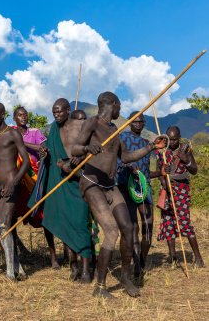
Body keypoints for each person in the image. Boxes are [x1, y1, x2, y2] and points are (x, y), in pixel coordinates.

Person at [71, 92, 166, 298]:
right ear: (112, 105)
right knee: (111, 231)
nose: (120, 110)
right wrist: (88, 148)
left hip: (110, 185)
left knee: (129, 228)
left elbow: (125, 156)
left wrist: (151, 146)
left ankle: (125, 277)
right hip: (91, 184)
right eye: (119, 106)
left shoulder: (115, 130)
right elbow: (75, 149)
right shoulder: (92, 123)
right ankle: (101, 287)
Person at [39, 98, 91, 283]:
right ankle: (74, 266)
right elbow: (51, 151)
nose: (56, 115)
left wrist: (81, 158)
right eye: (54, 112)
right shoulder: (53, 129)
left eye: (59, 112)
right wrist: (45, 152)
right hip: (59, 181)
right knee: (65, 225)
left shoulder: (81, 126)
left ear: (68, 110)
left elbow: (90, 150)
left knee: (80, 224)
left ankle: (86, 270)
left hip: (78, 181)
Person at [0, 102, 31, 281]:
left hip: (12, 183)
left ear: (3, 115)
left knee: (5, 225)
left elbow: (25, 161)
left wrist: (14, 183)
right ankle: (18, 268)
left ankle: (10, 273)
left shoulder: (13, 133)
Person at [116, 111, 162, 277]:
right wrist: (129, 169)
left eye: (141, 122)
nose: (138, 124)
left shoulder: (146, 143)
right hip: (126, 187)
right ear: (129, 122)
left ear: (144, 124)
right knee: (133, 228)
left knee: (148, 229)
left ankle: (142, 261)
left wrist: (161, 172)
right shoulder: (121, 138)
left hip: (145, 188)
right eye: (135, 121)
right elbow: (118, 163)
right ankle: (136, 265)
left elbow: (146, 173)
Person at [12, 107, 55, 266]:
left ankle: (53, 257)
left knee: (43, 214)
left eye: (25, 114)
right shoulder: (10, 132)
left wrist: (22, 143)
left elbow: (44, 148)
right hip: (16, 178)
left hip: (34, 178)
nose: (24, 117)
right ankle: (15, 257)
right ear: (14, 118)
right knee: (12, 216)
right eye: (20, 115)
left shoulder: (35, 132)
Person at [156, 126, 204, 267]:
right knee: (168, 222)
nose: (172, 142)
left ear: (179, 137)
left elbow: (194, 170)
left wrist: (186, 160)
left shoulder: (186, 149)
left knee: (184, 221)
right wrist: (164, 182)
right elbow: (159, 172)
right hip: (166, 189)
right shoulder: (162, 152)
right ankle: (173, 257)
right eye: (170, 139)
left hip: (182, 190)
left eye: (175, 139)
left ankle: (198, 257)